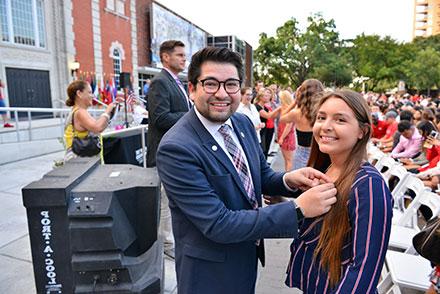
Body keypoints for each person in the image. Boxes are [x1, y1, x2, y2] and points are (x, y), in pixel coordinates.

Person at [156, 47, 338, 294]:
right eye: (211, 84)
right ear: (192, 89)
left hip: (245, 256)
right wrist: (297, 209)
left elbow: (259, 176)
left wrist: (288, 180)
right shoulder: (177, 147)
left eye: (231, 84)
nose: (222, 93)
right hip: (209, 273)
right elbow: (219, 223)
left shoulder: (241, 123)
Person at [285, 90, 393, 293]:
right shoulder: (325, 168)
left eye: (340, 120)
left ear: (362, 131)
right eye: (321, 117)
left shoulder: (368, 185)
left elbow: (365, 269)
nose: (326, 126)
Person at [147, 40, 190, 259]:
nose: (184, 59)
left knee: (173, 198)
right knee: (164, 200)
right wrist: (193, 116)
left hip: (177, 152)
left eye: (185, 55)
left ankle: (172, 239)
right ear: (166, 57)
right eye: (180, 55)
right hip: (164, 153)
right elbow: (160, 117)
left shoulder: (176, 82)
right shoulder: (160, 82)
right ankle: (166, 244)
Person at [63, 80, 115, 161]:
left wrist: (110, 114)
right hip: (79, 161)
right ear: (79, 94)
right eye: (90, 92)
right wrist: (107, 111)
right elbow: (98, 127)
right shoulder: (80, 112)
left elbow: (98, 127)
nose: (93, 96)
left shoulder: (77, 111)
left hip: (78, 159)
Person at [280, 79, 324, 169]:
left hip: (302, 154)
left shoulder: (297, 113)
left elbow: (282, 118)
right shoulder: (324, 111)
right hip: (321, 153)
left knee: (299, 181)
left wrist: (295, 101)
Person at [255, 88, 281, 158]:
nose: (268, 97)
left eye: (269, 96)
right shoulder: (257, 107)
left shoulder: (265, 107)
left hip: (265, 130)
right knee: (262, 151)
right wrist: (279, 108)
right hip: (260, 131)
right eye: (266, 96)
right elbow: (268, 116)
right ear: (260, 97)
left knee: (266, 149)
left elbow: (272, 116)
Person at [277, 90, 296, 171]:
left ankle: (288, 180)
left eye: (280, 97)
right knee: (286, 160)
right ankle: (286, 175)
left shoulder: (290, 110)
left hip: (287, 136)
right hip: (282, 134)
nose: (279, 99)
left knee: (288, 160)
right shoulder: (283, 108)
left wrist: (281, 138)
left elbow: (288, 126)